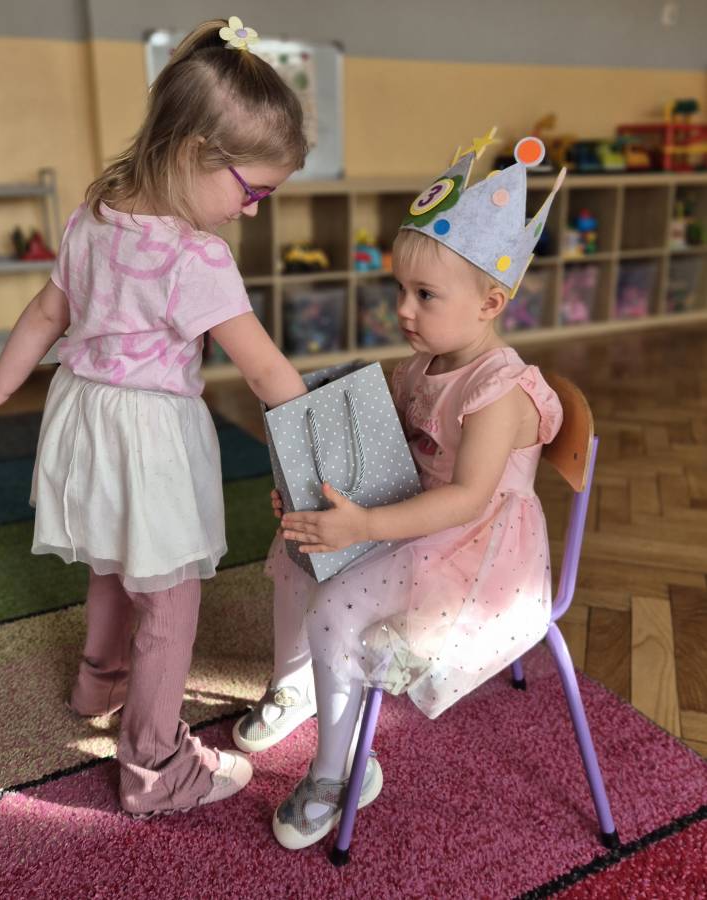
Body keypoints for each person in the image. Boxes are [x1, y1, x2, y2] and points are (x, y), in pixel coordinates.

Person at [0, 16, 309, 819]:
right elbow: (264, 371)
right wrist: (322, 444)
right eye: (253, 191)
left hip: (84, 423)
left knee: (112, 562)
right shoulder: (195, 258)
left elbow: (46, 312)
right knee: (170, 602)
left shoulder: (95, 214)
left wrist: (0, 385)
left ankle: (98, 684)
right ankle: (155, 766)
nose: (253, 211)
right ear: (194, 154)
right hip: (149, 441)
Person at [233, 131, 567, 850]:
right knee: (294, 548)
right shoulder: (420, 364)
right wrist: (309, 494)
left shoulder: (498, 390)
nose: (403, 310)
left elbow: (467, 499)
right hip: (411, 515)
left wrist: (360, 527)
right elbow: (383, 451)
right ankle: (294, 685)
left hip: (472, 552)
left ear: (490, 301)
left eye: (425, 295)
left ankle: (338, 772)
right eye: (400, 290)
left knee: (335, 613)